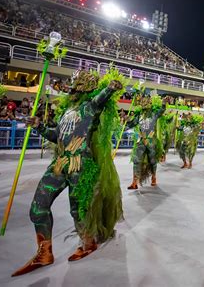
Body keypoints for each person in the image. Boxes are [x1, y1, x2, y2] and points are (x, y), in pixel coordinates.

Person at [12, 70, 124, 276]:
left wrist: (110, 88)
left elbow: (101, 99)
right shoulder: (67, 112)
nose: (69, 90)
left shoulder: (90, 107)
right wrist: (39, 126)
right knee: (38, 208)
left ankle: (88, 243)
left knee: (78, 211)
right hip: (59, 164)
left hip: (80, 166)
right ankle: (44, 253)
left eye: (73, 87)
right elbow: (56, 136)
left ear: (82, 90)